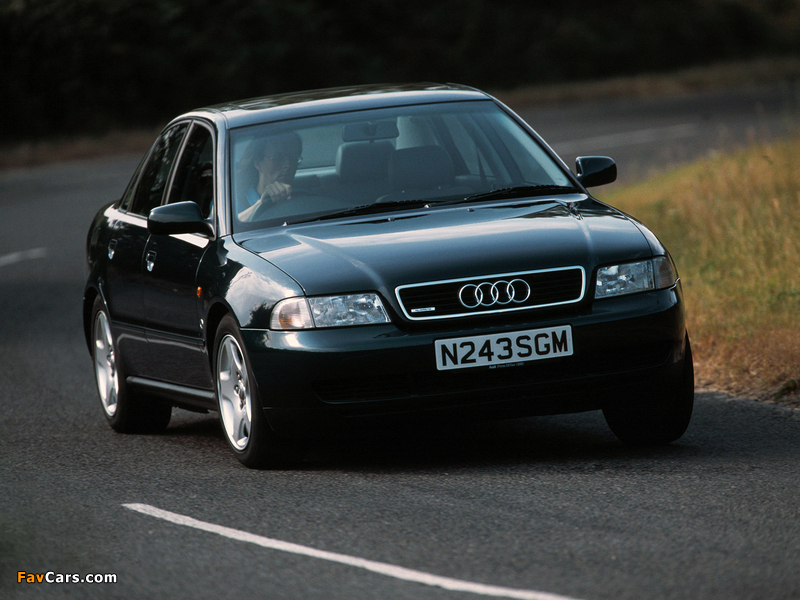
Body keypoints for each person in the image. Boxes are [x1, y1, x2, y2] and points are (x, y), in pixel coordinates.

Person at [236, 132, 302, 221]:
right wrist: (261, 204)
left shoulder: (304, 198)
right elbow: (223, 227)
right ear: (258, 164)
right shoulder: (232, 200)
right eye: (278, 158)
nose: (288, 164)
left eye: (293, 158)